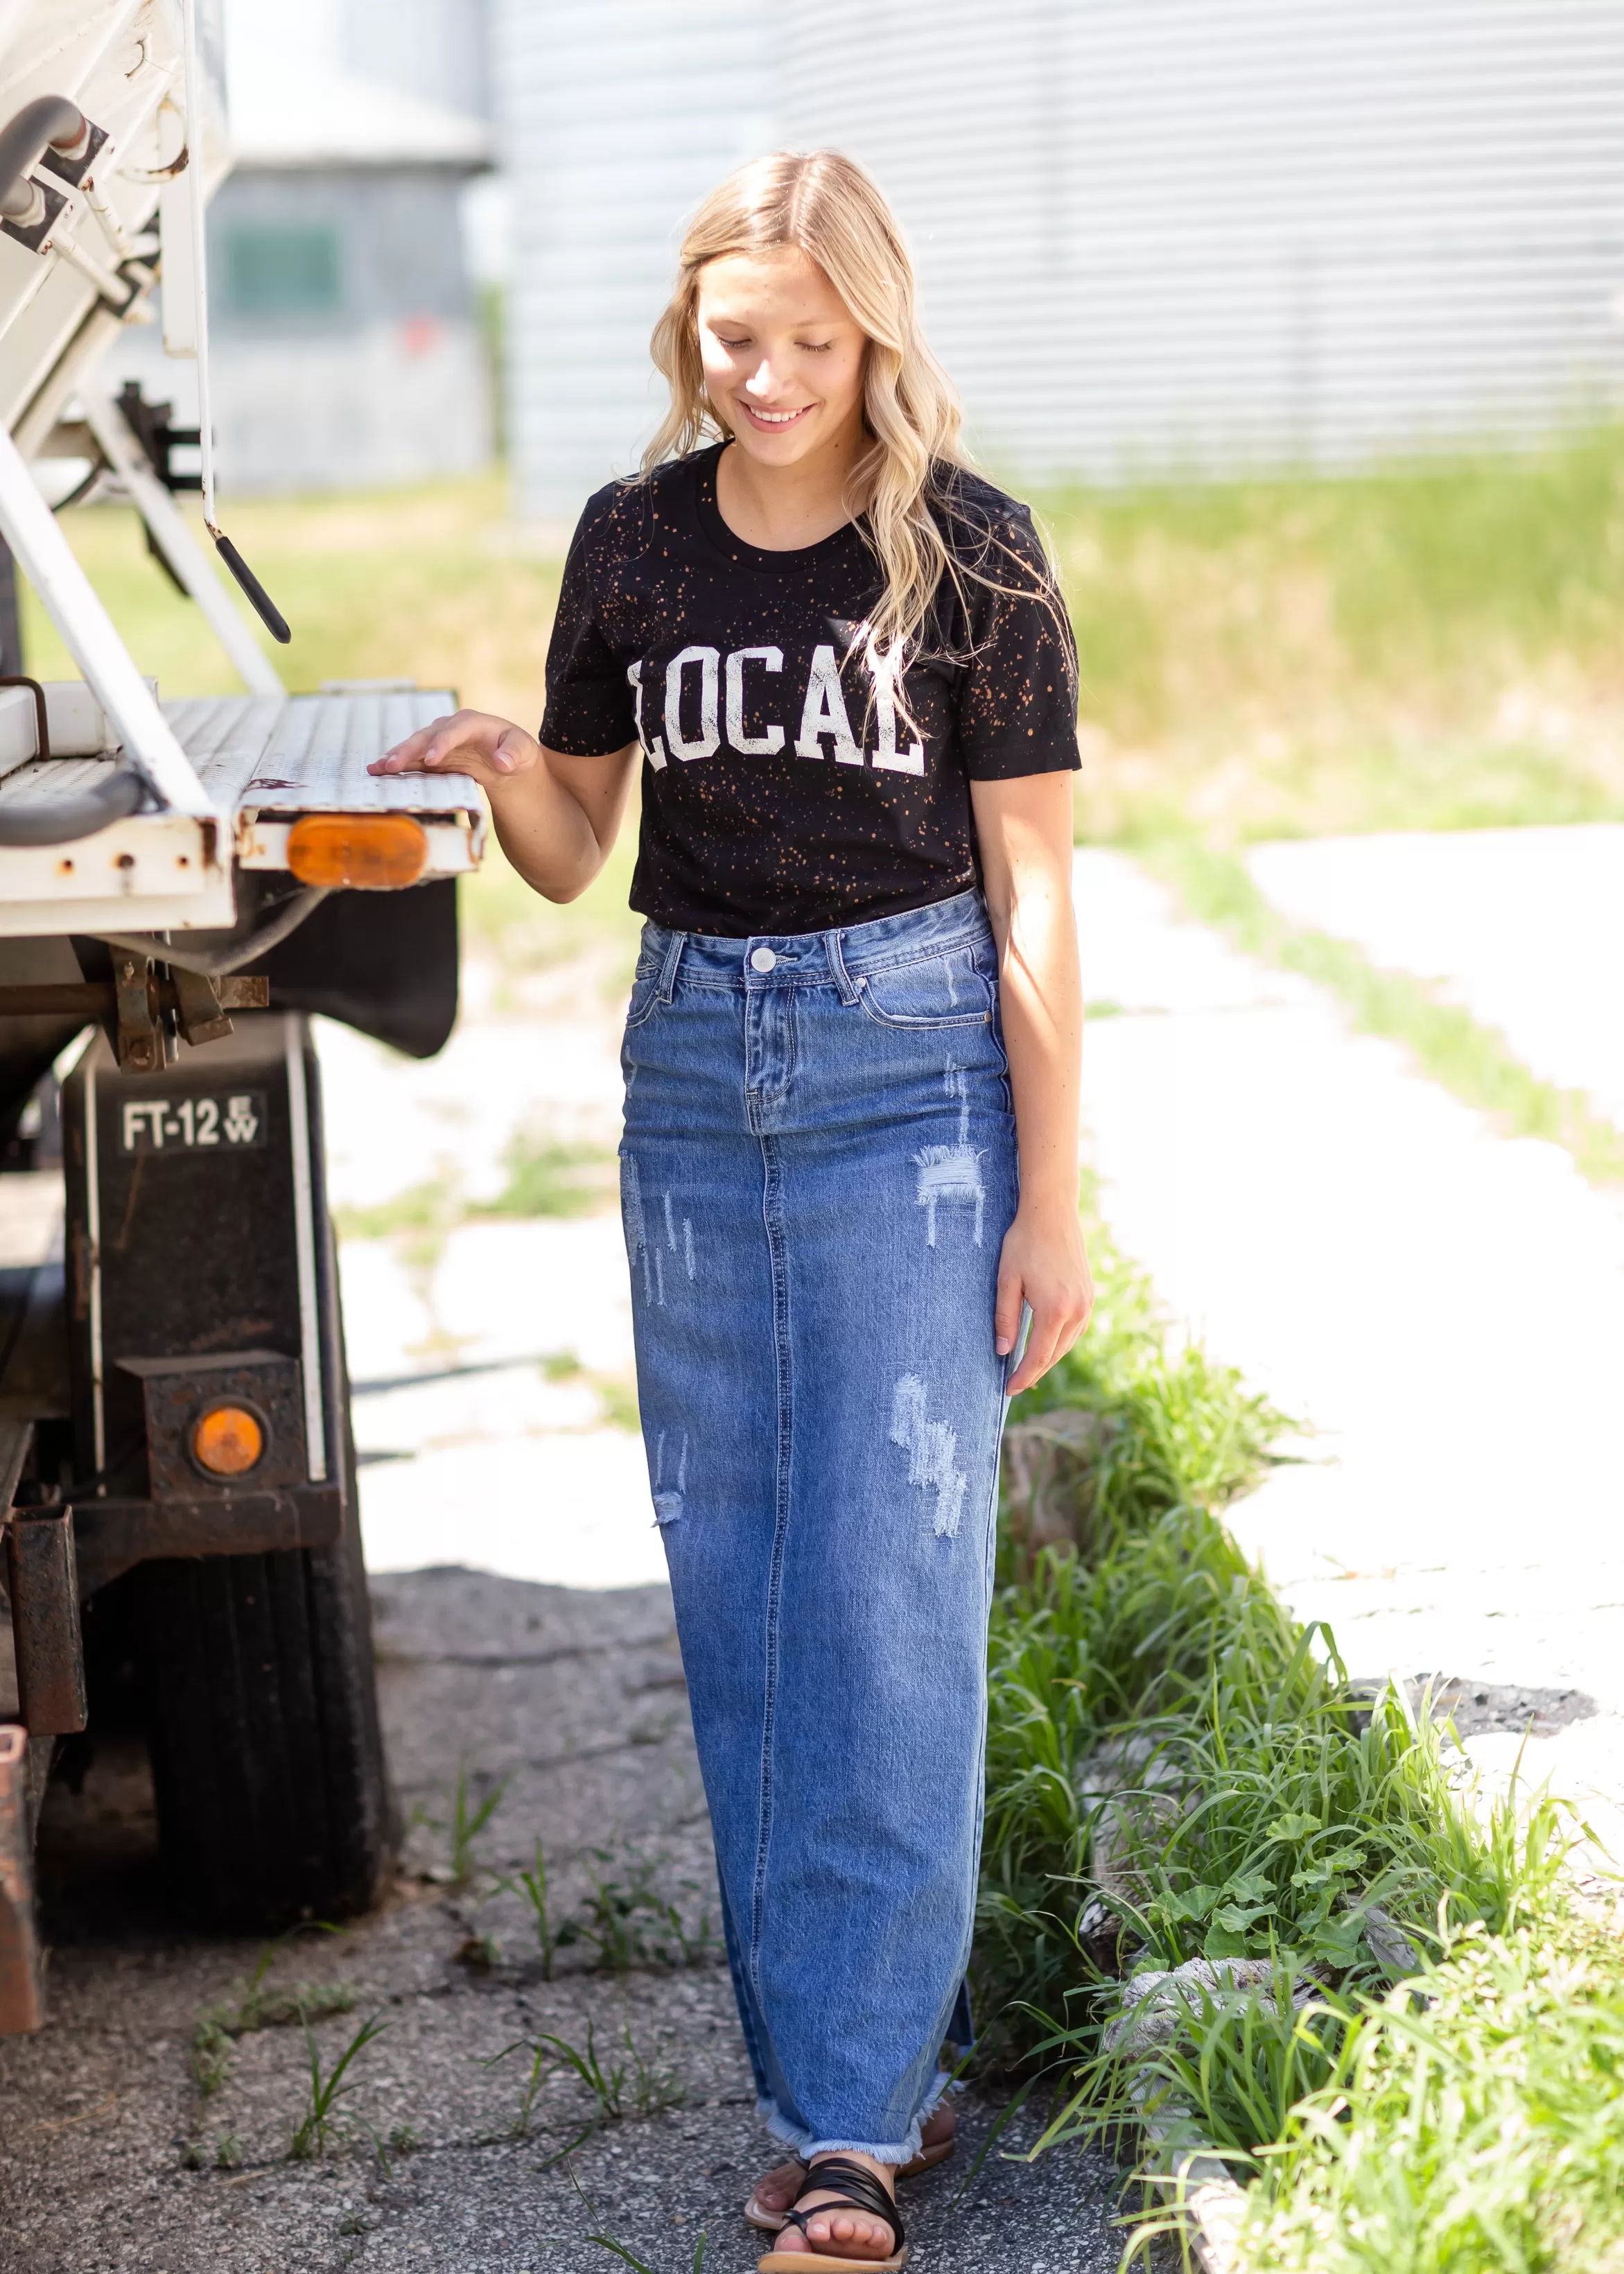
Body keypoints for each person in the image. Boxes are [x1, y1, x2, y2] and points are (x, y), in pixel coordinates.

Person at [372, 147, 1093, 2273]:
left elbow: (1033, 891)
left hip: (909, 1080)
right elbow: (581, 851)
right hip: (691, 1082)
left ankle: (847, 2139)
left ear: (874, 328)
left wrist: (1051, 1196)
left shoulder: (966, 556)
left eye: (800, 337)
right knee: (742, 1588)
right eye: (728, 336)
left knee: (888, 1592)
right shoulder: (633, 542)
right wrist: (511, 759)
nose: (762, 375)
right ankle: (856, 2088)